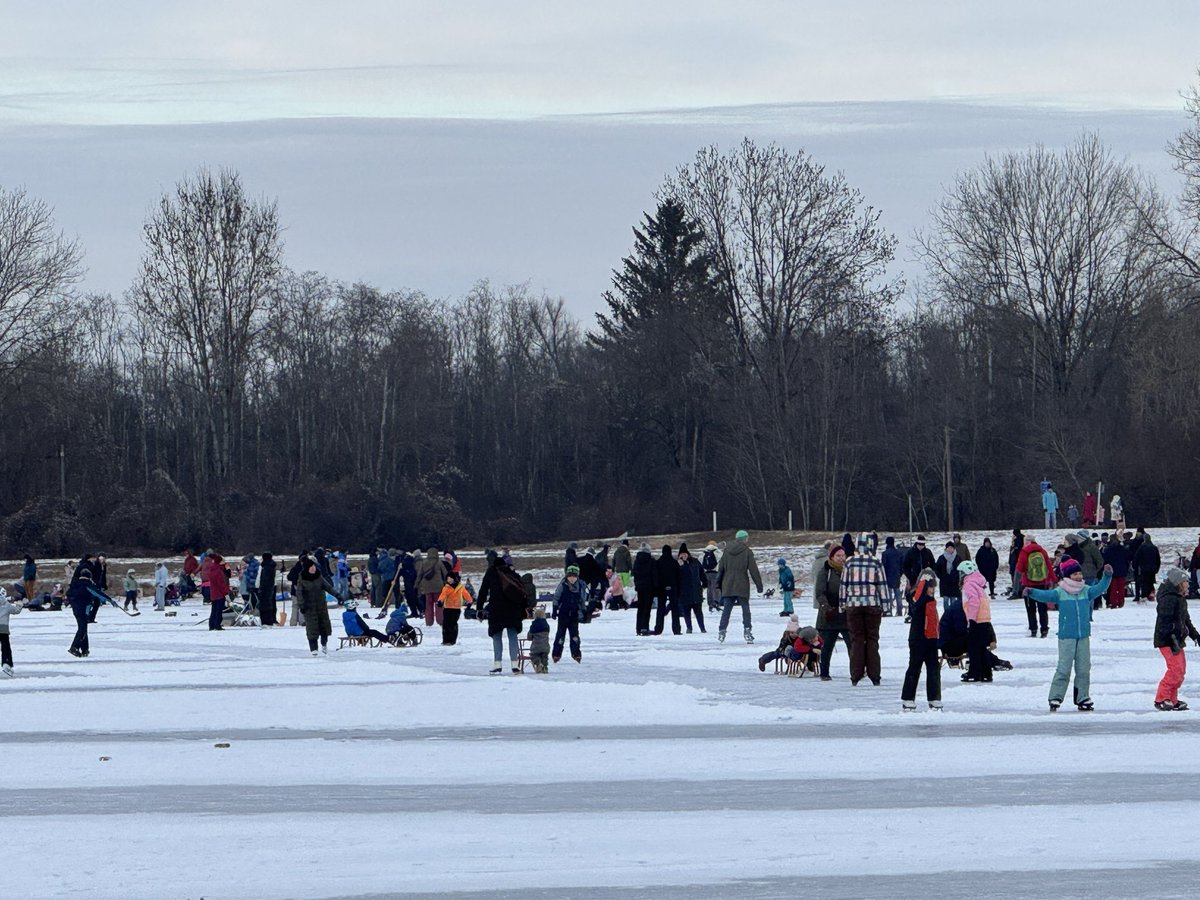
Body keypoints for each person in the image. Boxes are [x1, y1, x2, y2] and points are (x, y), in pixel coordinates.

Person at [1025, 558, 1112, 711]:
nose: (1078, 576)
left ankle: (1082, 697)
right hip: (1067, 636)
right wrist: (1032, 592)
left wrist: (1107, 575)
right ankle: (1055, 697)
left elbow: (1100, 588)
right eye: (1074, 574)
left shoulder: (1086, 590)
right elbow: (1046, 595)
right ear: (1067, 576)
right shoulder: (1060, 592)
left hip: (1083, 635)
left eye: (1079, 573)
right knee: (1064, 668)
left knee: (1084, 668)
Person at [840, 533, 887, 686]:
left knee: (856, 640)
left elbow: (844, 585)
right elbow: (882, 585)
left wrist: (842, 604)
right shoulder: (876, 562)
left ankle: (856, 675)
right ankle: (875, 675)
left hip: (853, 605)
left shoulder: (849, 562)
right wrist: (885, 605)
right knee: (872, 639)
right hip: (872, 604)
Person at [1153, 567, 1200, 711]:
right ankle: (1161, 698)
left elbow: (1186, 621)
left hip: (1177, 640)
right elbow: (1165, 621)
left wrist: (1195, 636)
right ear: (1178, 583)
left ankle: (1172, 699)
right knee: (1175, 669)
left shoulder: (1180, 599)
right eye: (1185, 582)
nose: (1187, 584)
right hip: (1168, 641)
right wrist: (1171, 636)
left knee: (1180, 671)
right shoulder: (1169, 599)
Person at [475, 552, 526, 674]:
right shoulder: (511, 573)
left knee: (497, 636)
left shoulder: (491, 573)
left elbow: (483, 591)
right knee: (512, 635)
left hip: (496, 609)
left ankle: (497, 664)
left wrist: (479, 608)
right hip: (513, 609)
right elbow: (521, 591)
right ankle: (515, 664)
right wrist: (524, 609)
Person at [901, 569, 941, 711]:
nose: (933, 590)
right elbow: (916, 606)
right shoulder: (917, 599)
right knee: (914, 668)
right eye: (931, 587)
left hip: (931, 639)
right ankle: (908, 698)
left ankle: (934, 698)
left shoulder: (931, 600)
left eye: (934, 587)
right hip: (918, 639)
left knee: (934, 669)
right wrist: (923, 582)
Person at [716, 529, 763, 644]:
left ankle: (722, 630)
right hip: (742, 584)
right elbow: (753, 570)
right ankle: (747, 630)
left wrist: (718, 583)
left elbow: (721, 569)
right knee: (745, 609)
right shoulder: (747, 552)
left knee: (727, 609)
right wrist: (759, 585)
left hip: (728, 584)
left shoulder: (726, 551)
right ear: (745, 539)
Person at [815, 545, 850, 681]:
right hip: (829, 615)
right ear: (832, 557)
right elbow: (820, 593)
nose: (841, 558)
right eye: (838, 556)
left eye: (843, 555)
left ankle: (856, 671)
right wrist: (827, 608)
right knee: (827, 646)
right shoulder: (825, 571)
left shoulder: (849, 571)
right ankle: (824, 673)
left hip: (845, 614)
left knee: (852, 645)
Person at [959, 561, 993, 683]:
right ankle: (986, 673)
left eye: (961, 572)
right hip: (984, 619)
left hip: (977, 619)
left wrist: (971, 620)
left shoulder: (969, 584)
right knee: (981, 647)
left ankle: (974, 673)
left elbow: (974, 602)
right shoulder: (978, 583)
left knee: (973, 648)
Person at [1016, 535, 1054, 638]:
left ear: (1026, 542)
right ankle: (1044, 629)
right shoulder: (1042, 551)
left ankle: (1033, 629)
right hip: (1042, 584)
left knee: (1031, 609)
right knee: (1042, 608)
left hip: (1028, 585)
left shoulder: (1024, 552)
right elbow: (1049, 566)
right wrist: (1053, 579)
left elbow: (1020, 568)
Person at [297, 556, 332, 656]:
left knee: (324, 626)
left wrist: (338, 596)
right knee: (312, 628)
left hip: (321, 606)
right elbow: (299, 593)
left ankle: (324, 644)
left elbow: (328, 587)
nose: (313, 568)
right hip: (309, 608)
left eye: (314, 566)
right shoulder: (302, 579)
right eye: (311, 567)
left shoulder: (319, 577)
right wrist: (302, 605)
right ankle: (314, 648)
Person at [551, 566, 587, 664]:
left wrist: (584, 611)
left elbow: (582, 600)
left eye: (574, 577)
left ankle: (576, 653)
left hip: (574, 615)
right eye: (570, 576)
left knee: (574, 635)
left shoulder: (580, 586)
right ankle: (556, 654)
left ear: (577, 577)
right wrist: (554, 609)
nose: (572, 579)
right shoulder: (563, 585)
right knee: (560, 635)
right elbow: (556, 598)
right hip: (563, 615)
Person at [676, 545, 706, 634]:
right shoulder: (677, 564)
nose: (684, 556)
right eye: (682, 554)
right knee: (686, 612)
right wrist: (680, 566)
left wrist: (705, 582)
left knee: (698, 611)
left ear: (688, 554)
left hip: (696, 590)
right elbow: (675, 577)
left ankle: (702, 628)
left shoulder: (695, 562)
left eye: (685, 554)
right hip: (684, 592)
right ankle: (689, 628)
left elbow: (701, 573)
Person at [68, 567, 95, 657]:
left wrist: (73, 603)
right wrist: (111, 601)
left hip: (76, 609)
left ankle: (85, 649)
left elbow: (68, 594)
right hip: (83, 609)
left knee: (83, 627)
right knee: (82, 628)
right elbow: (98, 593)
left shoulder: (75, 584)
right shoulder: (87, 584)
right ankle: (74, 647)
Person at [436, 571, 469, 646]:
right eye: (448, 579)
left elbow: (466, 595)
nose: (449, 580)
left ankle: (452, 640)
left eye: (450, 579)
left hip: (456, 609)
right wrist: (440, 601)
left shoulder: (460, 587)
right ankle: (445, 640)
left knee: (453, 624)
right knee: (446, 624)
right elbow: (442, 595)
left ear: (454, 579)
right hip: (447, 608)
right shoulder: (446, 588)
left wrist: (469, 601)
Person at [416, 548, 446, 627]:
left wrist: (416, 584)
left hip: (427, 587)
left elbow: (419, 574)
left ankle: (429, 622)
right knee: (439, 605)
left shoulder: (424, 562)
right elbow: (445, 573)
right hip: (438, 587)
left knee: (428, 605)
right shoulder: (439, 562)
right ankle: (440, 620)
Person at [653, 545, 679, 635]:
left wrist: (656, 588)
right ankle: (676, 629)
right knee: (675, 608)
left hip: (661, 588)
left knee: (660, 608)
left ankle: (658, 628)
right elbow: (678, 576)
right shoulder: (674, 562)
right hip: (673, 587)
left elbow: (656, 576)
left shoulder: (658, 563)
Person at [632, 542, 656, 635]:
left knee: (640, 608)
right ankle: (644, 627)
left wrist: (637, 585)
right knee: (647, 608)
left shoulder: (636, 561)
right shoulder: (651, 561)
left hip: (639, 587)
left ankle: (638, 628)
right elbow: (654, 575)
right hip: (649, 587)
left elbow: (634, 574)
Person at [0, 588, 25, 676]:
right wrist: (20, 604)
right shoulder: (6, 605)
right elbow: (16, 611)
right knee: (5, 647)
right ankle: (6, 662)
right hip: (3, 629)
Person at [202, 553, 230, 631]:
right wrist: (226, 593)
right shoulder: (218, 571)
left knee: (214, 610)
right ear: (219, 562)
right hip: (219, 593)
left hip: (213, 592)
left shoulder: (212, 569)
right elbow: (221, 584)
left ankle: (211, 625)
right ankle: (217, 625)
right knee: (219, 610)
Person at [1133, 532, 1161, 602]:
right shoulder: (1154, 548)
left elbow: (1136, 558)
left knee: (1144, 583)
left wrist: (1135, 566)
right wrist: (1157, 568)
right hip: (1153, 569)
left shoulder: (1142, 547)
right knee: (1150, 583)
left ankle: (1144, 596)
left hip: (1144, 568)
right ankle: (1150, 595)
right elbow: (1158, 559)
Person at [881, 537, 904, 616]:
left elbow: (883, 566)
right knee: (898, 593)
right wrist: (900, 574)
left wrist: (883, 576)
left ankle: (889, 610)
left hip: (888, 575)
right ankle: (899, 610)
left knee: (889, 594)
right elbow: (902, 566)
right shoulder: (899, 553)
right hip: (897, 575)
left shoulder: (884, 554)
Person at [935, 542, 961, 612]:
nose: (950, 549)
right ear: (946, 549)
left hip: (954, 583)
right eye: (948, 548)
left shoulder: (957, 558)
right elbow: (937, 569)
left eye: (951, 548)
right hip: (944, 583)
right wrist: (942, 577)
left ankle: (953, 614)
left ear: (954, 549)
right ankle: (946, 614)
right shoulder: (941, 558)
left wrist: (956, 577)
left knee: (953, 600)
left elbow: (960, 569)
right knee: (945, 600)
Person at [527, 606, 551, 673]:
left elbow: (529, 637)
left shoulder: (533, 626)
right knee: (545, 657)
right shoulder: (546, 625)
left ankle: (538, 663)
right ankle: (545, 667)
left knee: (534, 655)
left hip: (536, 647)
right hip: (545, 646)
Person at [258, 553, 278, 625]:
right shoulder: (271, 566)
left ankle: (266, 621)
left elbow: (264, 580)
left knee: (265, 605)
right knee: (270, 603)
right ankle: (271, 619)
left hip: (265, 589)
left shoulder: (266, 567)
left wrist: (260, 588)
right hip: (271, 588)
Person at [702, 541, 722, 612]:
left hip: (706, 573)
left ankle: (710, 603)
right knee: (716, 587)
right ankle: (716, 602)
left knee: (709, 588)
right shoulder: (717, 552)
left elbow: (701, 562)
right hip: (715, 572)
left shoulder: (704, 552)